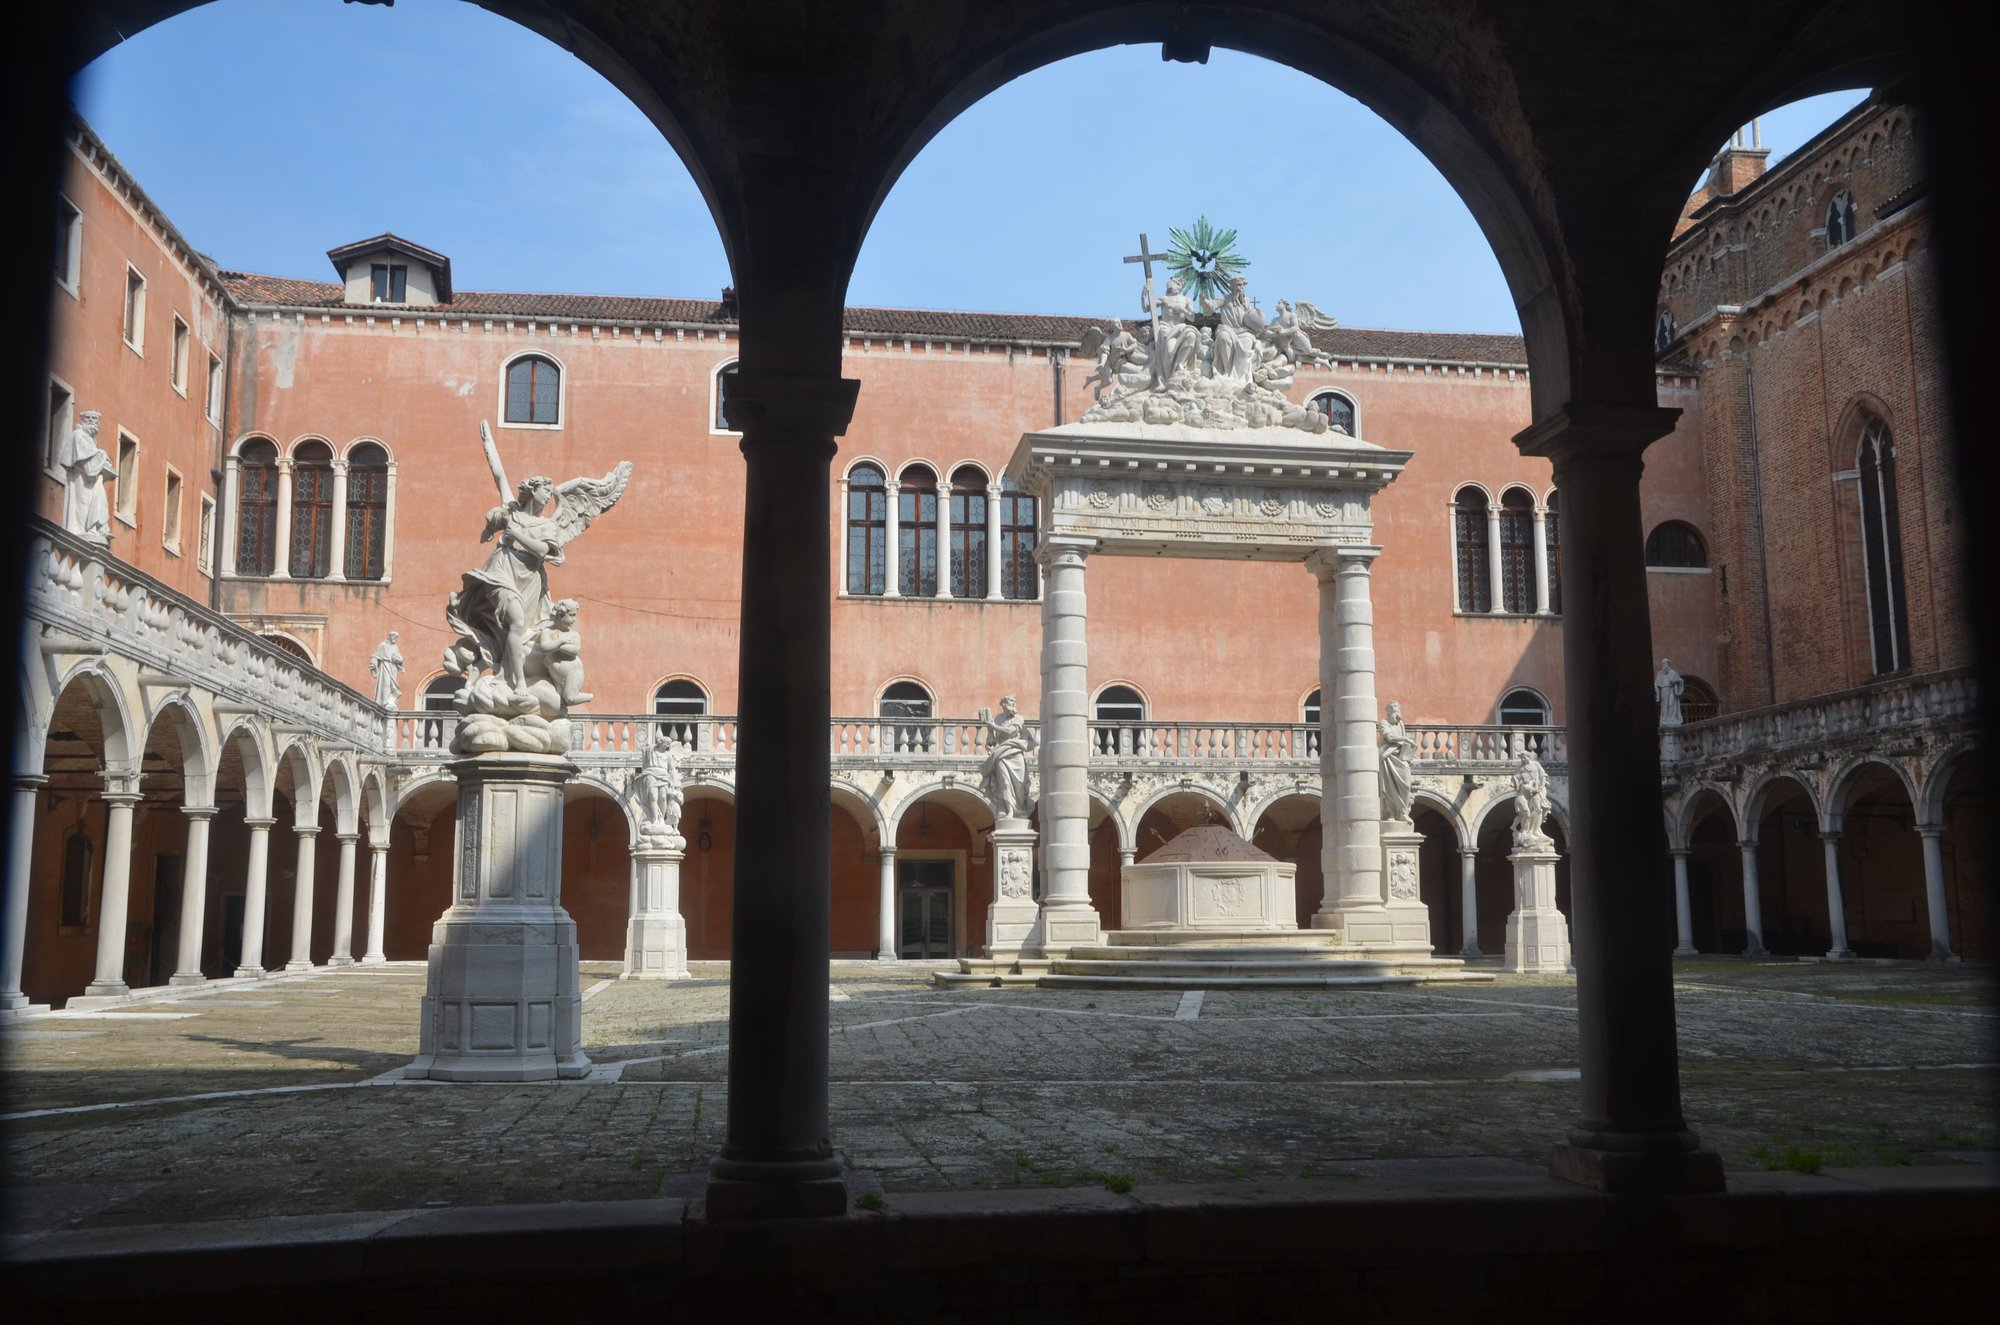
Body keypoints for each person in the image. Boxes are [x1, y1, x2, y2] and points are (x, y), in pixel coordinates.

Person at [59, 410, 114, 544]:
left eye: (96, 422)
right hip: (80, 480)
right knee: (81, 509)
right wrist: (102, 455)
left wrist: (101, 457)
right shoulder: (78, 435)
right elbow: (87, 459)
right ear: (84, 421)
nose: (93, 424)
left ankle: (97, 528)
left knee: (98, 499)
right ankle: (87, 530)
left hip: (91, 481)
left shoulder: (91, 441)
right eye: (90, 420)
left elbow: (97, 458)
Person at [978, 695, 1033, 820]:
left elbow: (1011, 732)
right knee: (1005, 783)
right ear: (1003, 705)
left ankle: (1019, 809)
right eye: (1010, 702)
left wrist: (993, 726)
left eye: (1014, 702)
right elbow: (992, 739)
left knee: (1020, 785)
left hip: (1016, 752)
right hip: (1001, 754)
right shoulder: (998, 718)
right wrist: (990, 735)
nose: (1013, 705)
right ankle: (1009, 811)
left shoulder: (1019, 718)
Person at [528, 599, 591, 706]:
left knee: (570, 698)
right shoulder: (547, 631)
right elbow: (545, 647)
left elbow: (575, 650)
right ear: (560, 615)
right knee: (558, 702)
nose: (574, 619)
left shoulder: (574, 635)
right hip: (556, 677)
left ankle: (590, 696)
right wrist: (561, 641)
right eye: (571, 615)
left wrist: (556, 646)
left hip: (574, 672)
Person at [1377, 700, 1416, 822]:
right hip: (1387, 757)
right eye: (1394, 712)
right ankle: (1391, 813)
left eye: (1398, 711)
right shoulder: (1383, 723)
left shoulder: (1400, 724)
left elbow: (1402, 743)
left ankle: (1403, 811)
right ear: (1389, 713)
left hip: (1400, 757)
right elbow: (1389, 737)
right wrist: (1406, 739)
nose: (1397, 714)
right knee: (1388, 786)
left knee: (1406, 783)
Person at [1509, 746, 1554, 849]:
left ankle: (1535, 831)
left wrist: (1541, 785)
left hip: (1538, 789)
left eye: (1524, 758)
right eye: (1521, 759)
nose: (1522, 760)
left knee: (1539, 810)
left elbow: (1543, 775)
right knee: (1536, 810)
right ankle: (1531, 831)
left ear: (1528, 757)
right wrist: (1519, 780)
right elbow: (1514, 779)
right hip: (1530, 792)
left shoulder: (1536, 764)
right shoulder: (1520, 768)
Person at [368, 632, 405, 708]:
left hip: (393, 666)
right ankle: (384, 701)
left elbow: (398, 657)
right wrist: (373, 663)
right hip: (385, 665)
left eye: (396, 638)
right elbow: (375, 656)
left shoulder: (395, 647)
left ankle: (390, 701)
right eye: (394, 637)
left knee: (392, 685)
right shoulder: (382, 645)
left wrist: (400, 661)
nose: (395, 639)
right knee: (386, 683)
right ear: (390, 637)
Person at [1654, 657, 1686, 727]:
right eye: (1662, 664)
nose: (1663, 666)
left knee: (1672, 705)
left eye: (1664, 664)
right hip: (1663, 691)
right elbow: (1656, 684)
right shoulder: (1660, 674)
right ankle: (1665, 720)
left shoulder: (1673, 673)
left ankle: (1672, 719)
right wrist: (1657, 695)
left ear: (1668, 665)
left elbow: (1681, 681)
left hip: (1671, 691)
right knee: (1664, 706)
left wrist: (1675, 681)